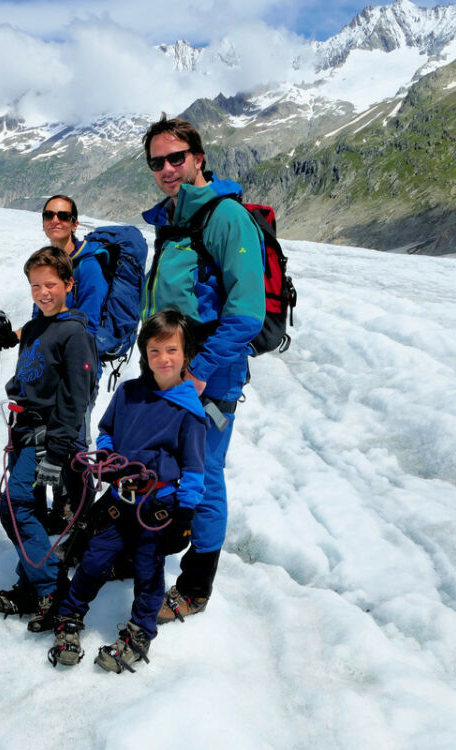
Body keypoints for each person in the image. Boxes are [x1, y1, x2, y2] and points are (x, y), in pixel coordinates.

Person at [140, 116, 266, 622]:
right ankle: (147, 551)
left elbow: (246, 314)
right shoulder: (174, 218)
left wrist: (200, 373)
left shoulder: (224, 217)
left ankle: (195, 586)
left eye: (176, 158)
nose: (168, 168)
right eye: (157, 161)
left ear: (198, 158)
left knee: (205, 473)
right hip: (171, 372)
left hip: (208, 380)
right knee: (160, 465)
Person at [47, 310, 206, 672]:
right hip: (120, 498)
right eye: (154, 351)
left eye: (171, 350)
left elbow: (195, 470)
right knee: (95, 559)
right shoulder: (129, 393)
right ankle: (70, 616)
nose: (163, 359)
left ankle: (139, 633)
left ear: (186, 355)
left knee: (150, 573)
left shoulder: (190, 413)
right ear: (143, 354)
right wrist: (106, 454)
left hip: (157, 507)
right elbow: (107, 431)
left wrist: (185, 515)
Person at [0, 246, 97, 631]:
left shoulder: (76, 333)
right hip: (25, 433)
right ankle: (30, 583)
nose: (43, 292)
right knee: (27, 507)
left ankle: (52, 588)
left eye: (51, 284)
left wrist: (57, 451)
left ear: (69, 284)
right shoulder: (34, 328)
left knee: (14, 506)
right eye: (36, 285)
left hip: (49, 438)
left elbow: (75, 397)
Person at [37, 195, 109, 533]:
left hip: (76, 371)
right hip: (50, 370)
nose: (56, 220)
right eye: (49, 214)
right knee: (56, 440)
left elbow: (90, 323)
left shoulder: (89, 265)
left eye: (63, 215)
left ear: (75, 223)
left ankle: (79, 521)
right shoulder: (48, 264)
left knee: (75, 443)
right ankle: (60, 509)